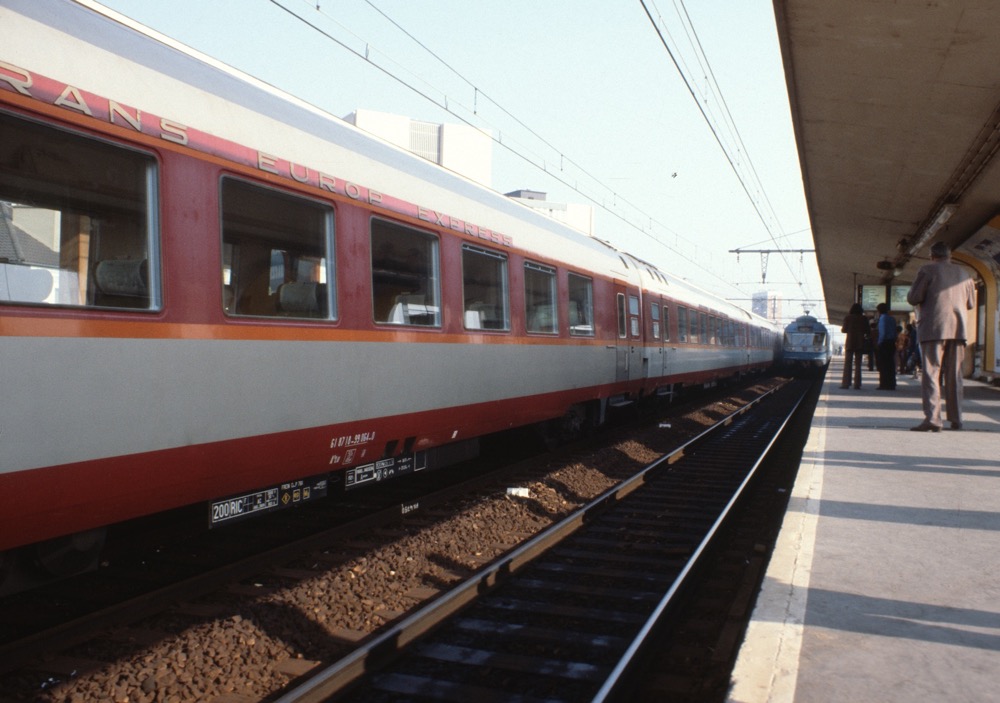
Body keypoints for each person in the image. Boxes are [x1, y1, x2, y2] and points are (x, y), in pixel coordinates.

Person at [906, 241, 976, 431]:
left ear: (932, 255)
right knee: (955, 375)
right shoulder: (964, 274)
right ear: (950, 255)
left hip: (933, 328)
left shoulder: (927, 270)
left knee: (931, 373)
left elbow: (914, 298)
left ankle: (933, 419)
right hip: (959, 330)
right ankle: (957, 418)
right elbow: (970, 303)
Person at [840, 302, 868, 389]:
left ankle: (846, 383)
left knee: (848, 363)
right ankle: (857, 384)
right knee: (858, 364)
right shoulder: (864, 318)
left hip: (850, 343)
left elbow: (843, 330)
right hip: (860, 343)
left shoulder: (848, 318)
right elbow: (867, 330)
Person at [875, 302, 897, 390]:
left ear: (879, 311)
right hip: (891, 343)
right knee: (891, 364)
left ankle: (884, 384)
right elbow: (895, 332)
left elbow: (882, 332)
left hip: (884, 343)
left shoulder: (882, 319)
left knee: (883, 365)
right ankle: (892, 383)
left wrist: (879, 343)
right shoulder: (892, 319)